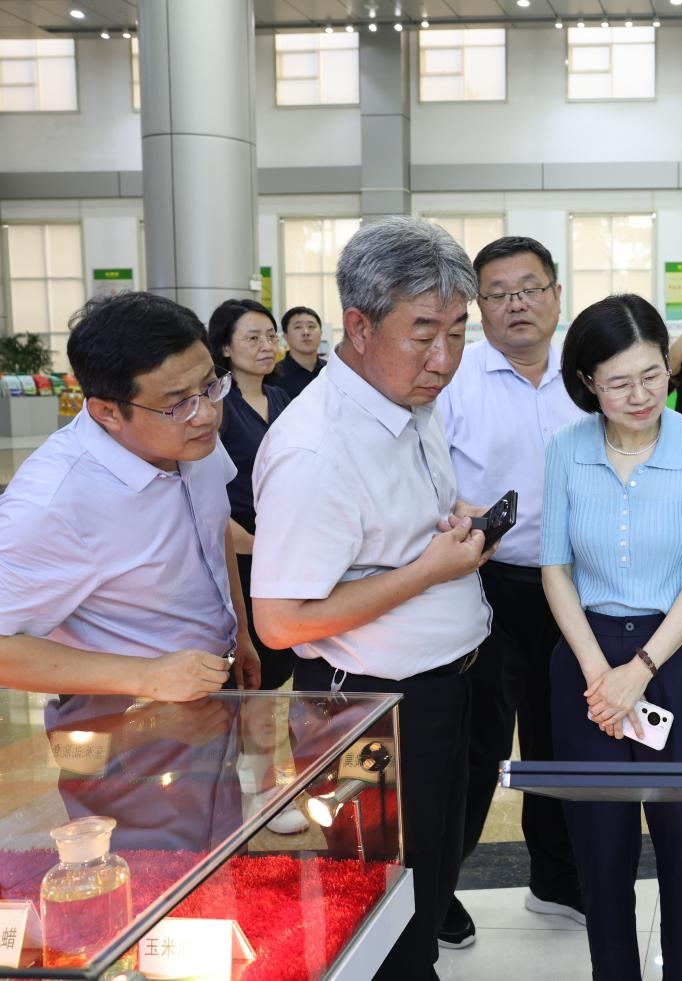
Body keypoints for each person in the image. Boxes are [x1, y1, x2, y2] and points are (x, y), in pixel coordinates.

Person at [250, 216, 495, 981]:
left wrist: (449, 528)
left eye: (458, 331)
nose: (444, 358)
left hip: (440, 687)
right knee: (382, 910)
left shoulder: (408, 400)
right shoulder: (316, 449)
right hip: (366, 710)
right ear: (357, 326)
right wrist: (426, 571)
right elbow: (280, 621)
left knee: (429, 885)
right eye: (423, 334)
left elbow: (389, 530)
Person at [541, 293, 682, 981]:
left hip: (678, 656)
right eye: (618, 382)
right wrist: (601, 673)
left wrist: (639, 670)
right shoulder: (565, 449)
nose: (641, 395)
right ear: (587, 381)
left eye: (652, 374)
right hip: (586, 657)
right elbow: (554, 568)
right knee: (601, 848)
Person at [438, 235, 587, 946]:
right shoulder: (453, 378)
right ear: (478, 306)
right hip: (484, 583)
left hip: (577, 585)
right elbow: (428, 480)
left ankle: (558, 879)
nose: (515, 304)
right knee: (477, 744)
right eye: (497, 294)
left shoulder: (588, 374)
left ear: (556, 294)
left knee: (564, 739)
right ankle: (439, 888)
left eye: (529, 288)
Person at [0, 291, 259, 699]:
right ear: (107, 412)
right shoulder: (52, 503)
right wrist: (146, 676)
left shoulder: (193, 436)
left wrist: (239, 632)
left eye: (211, 386)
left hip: (206, 682)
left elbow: (214, 529)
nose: (208, 414)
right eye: (177, 404)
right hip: (121, 710)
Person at [207, 299, 298, 691]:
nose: (266, 346)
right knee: (251, 658)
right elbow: (204, 487)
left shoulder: (281, 399)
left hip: (283, 538)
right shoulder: (218, 406)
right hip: (240, 543)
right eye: (253, 338)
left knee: (282, 653)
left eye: (271, 337)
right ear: (225, 347)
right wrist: (245, 541)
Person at [270, 305, 326, 399]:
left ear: (321, 333)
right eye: (298, 327)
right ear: (285, 336)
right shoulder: (273, 376)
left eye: (311, 326)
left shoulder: (331, 370)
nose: (306, 332)